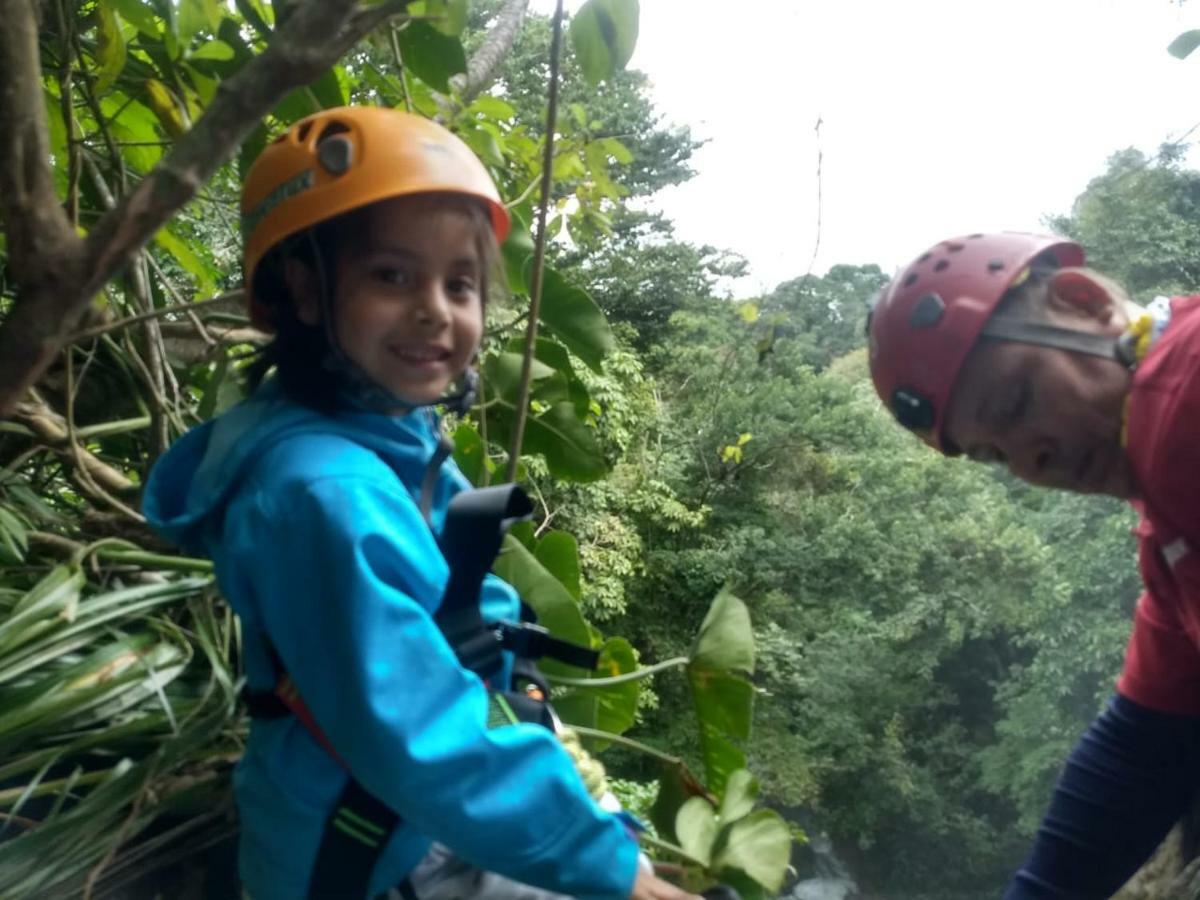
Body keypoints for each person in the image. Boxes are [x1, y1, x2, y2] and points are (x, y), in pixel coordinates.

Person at [143, 106, 699, 900]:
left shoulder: (389, 436)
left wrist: (534, 711)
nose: (436, 308)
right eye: (392, 276)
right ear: (304, 289)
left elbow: (462, 591)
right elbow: (418, 735)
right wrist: (613, 867)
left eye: (459, 284)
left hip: (397, 819)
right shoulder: (322, 495)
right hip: (363, 854)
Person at [866, 231, 1200, 897]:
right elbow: (1144, 746)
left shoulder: (1179, 397)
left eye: (1017, 402)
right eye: (996, 454)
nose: (1030, 462)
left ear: (1081, 303)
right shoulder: (1170, 536)